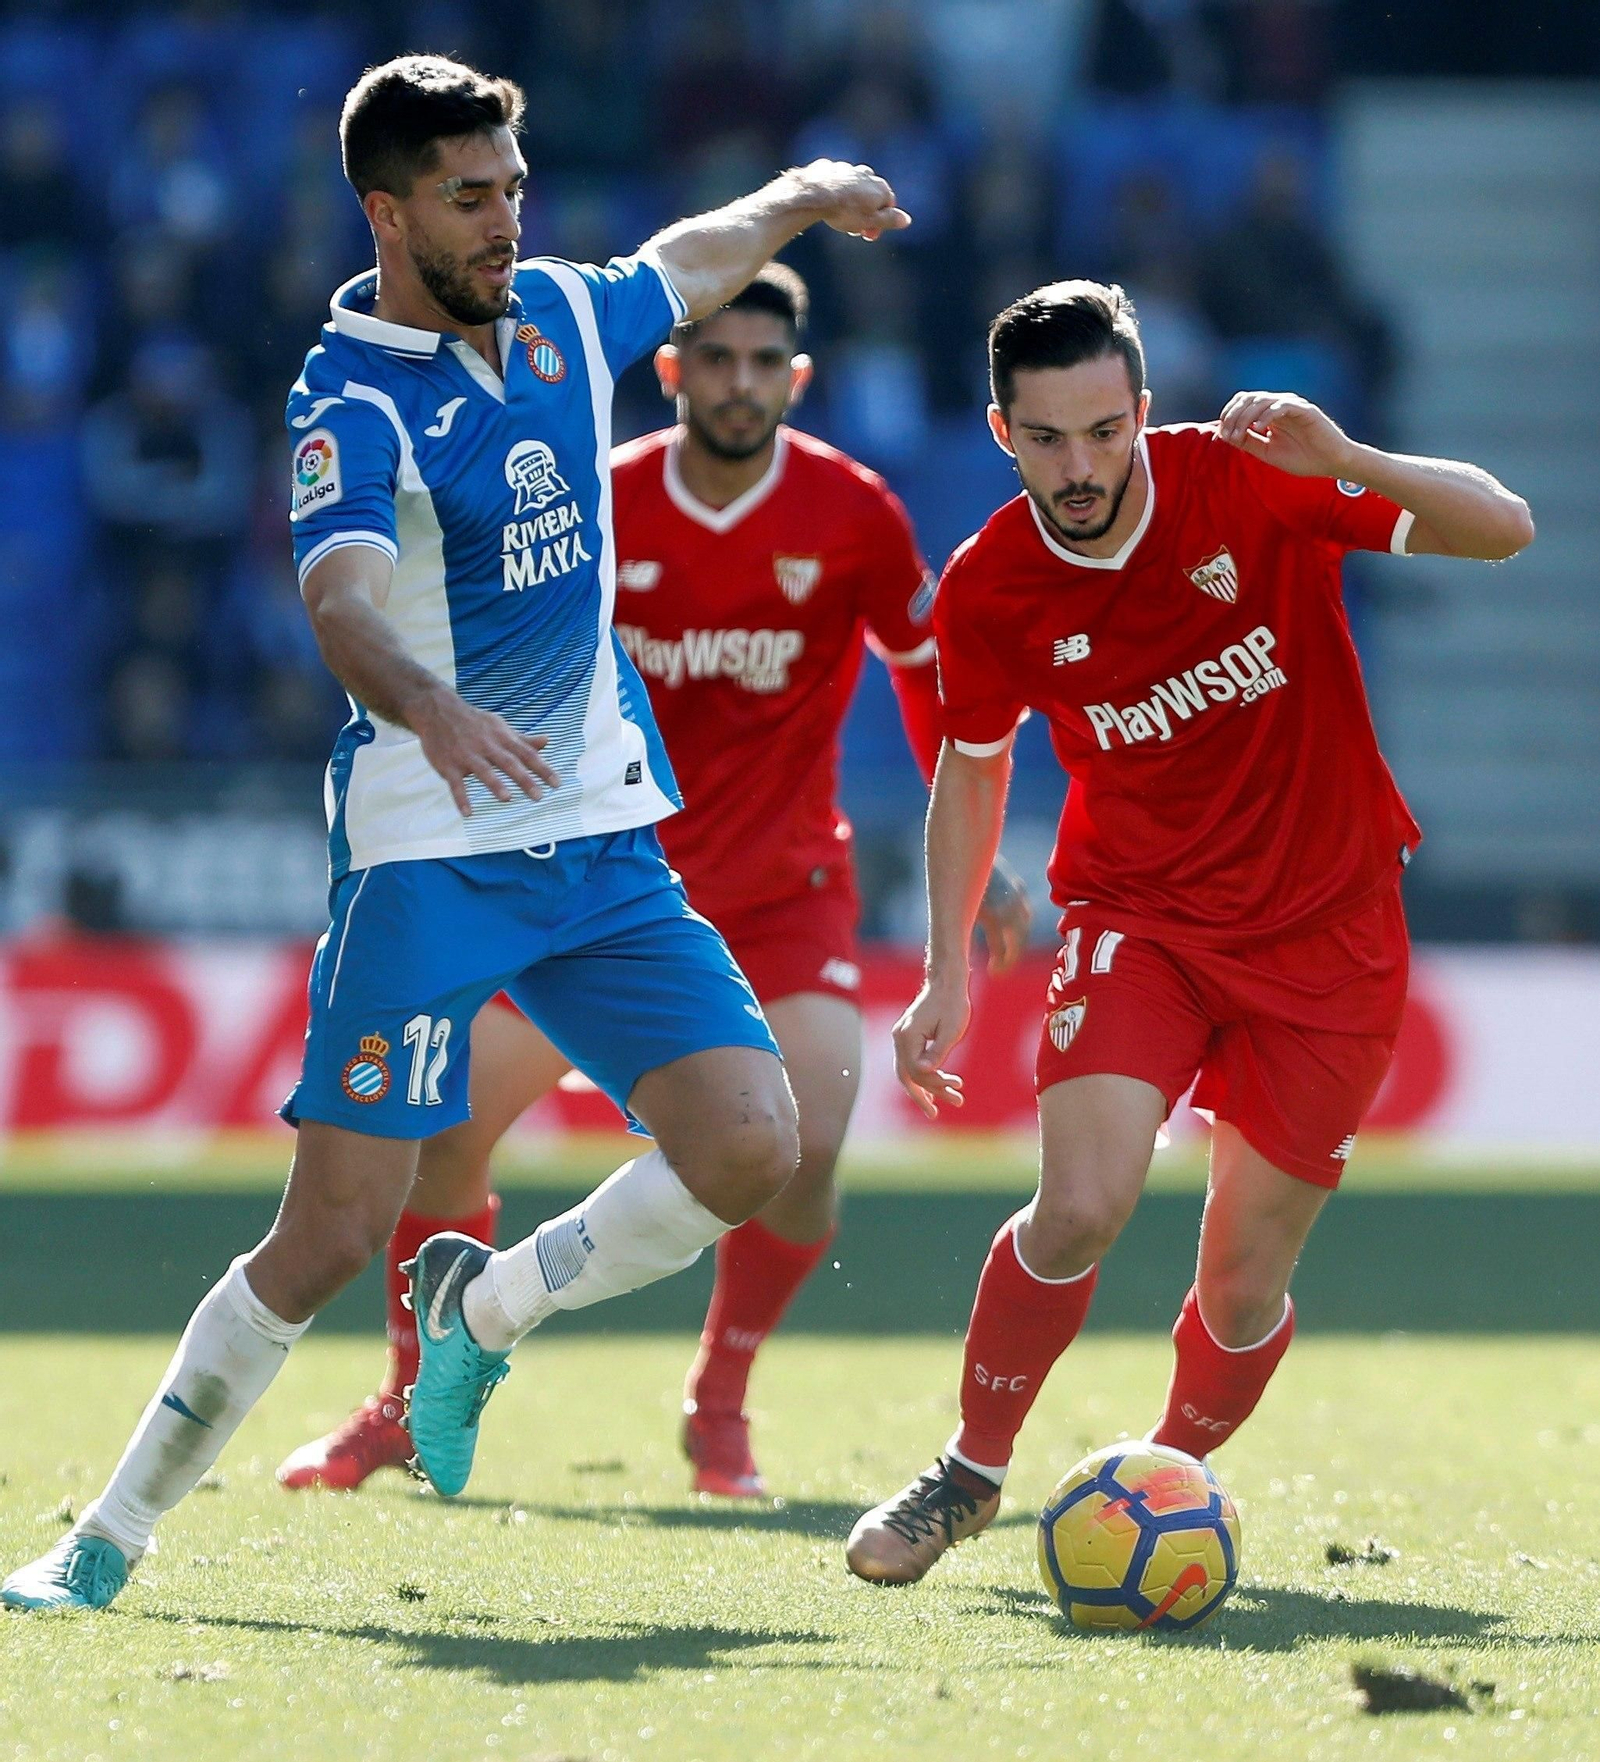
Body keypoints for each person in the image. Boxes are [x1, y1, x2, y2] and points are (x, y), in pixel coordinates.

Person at [1, 52, 913, 1613]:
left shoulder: (558, 314)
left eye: (514, 189)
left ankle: (487, 1318)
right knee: (331, 1233)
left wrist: (801, 202)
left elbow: (681, 268)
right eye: (469, 196)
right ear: (386, 209)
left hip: (607, 846)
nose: (504, 222)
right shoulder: (345, 397)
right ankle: (104, 1533)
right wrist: (431, 708)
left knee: (753, 1144)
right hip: (430, 859)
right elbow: (340, 600)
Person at [276, 261, 1032, 1499]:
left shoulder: (853, 514)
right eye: (713, 360)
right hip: (590, 883)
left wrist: (977, 841)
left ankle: (718, 1399)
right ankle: (410, 1401)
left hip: (784, 891)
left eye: (762, 364)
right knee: (445, 1137)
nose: (738, 384)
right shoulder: (586, 496)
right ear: (669, 370)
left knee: (809, 1139)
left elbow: (920, 670)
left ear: (798, 378)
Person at [845, 280, 1534, 1585]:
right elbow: (974, 768)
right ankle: (970, 1471)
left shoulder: (1252, 479)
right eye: (1048, 438)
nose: (1082, 464)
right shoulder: (991, 584)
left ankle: (1156, 1484)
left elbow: (1504, 528)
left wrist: (1347, 459)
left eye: (1105, 430)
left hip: (1331, 926)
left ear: (1145, 414)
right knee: (1082, 1204)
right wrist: (945, 969)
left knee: (1238, 1285)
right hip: (1139, 918)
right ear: (1001, 432)